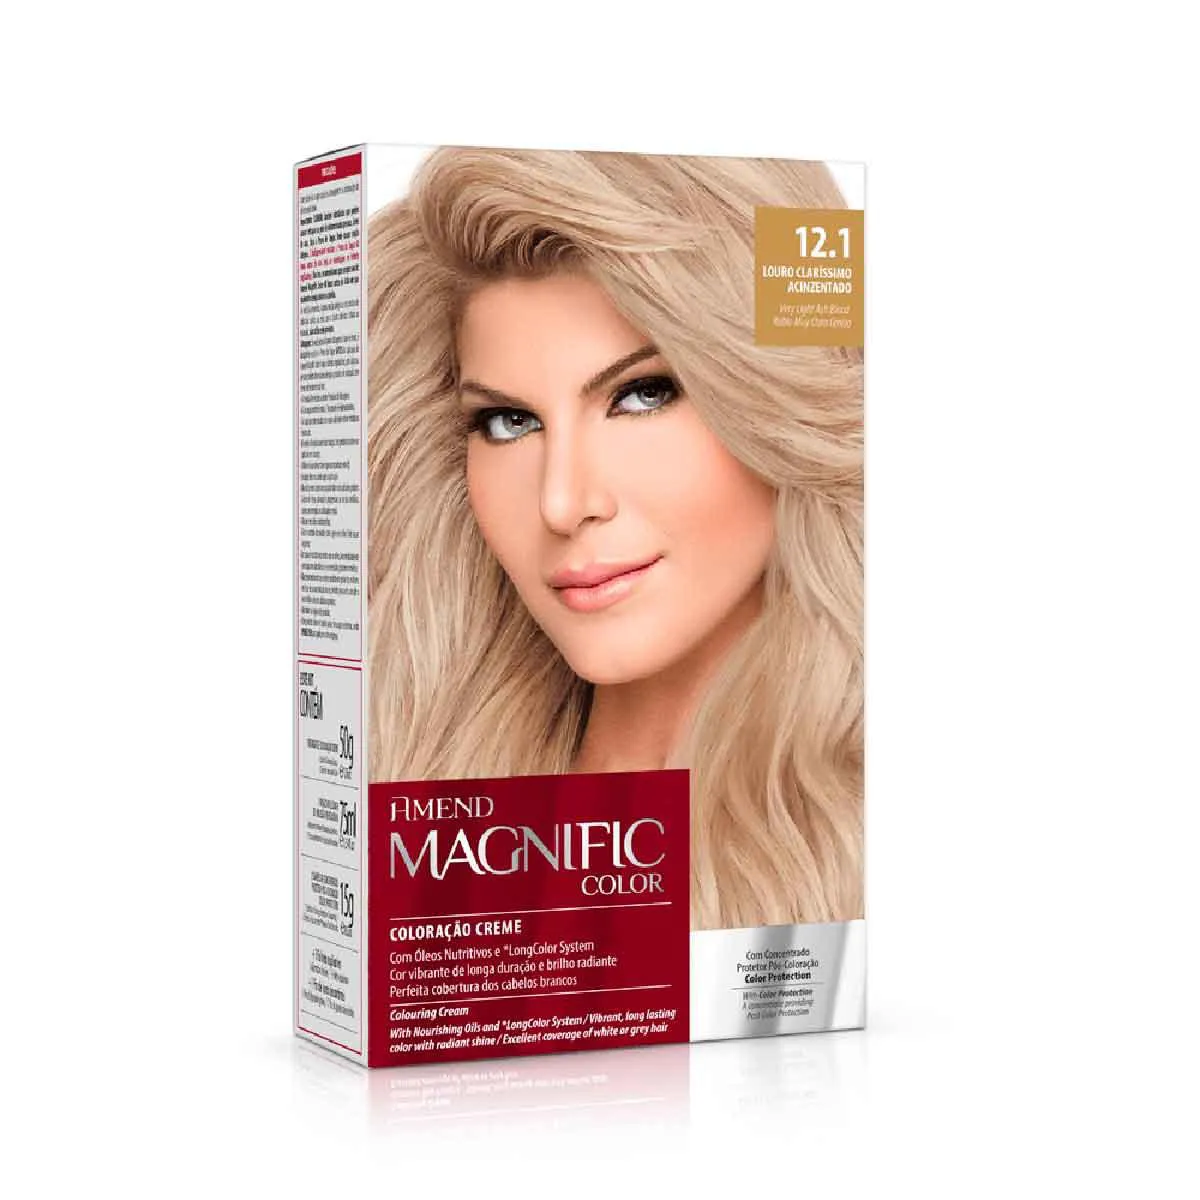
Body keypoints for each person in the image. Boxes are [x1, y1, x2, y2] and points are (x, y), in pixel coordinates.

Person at [367, 147, 862, 930]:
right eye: (508, 421)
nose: (563, 503)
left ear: (775, 400)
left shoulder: (867, 850)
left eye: (642, 395)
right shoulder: (411, 802)